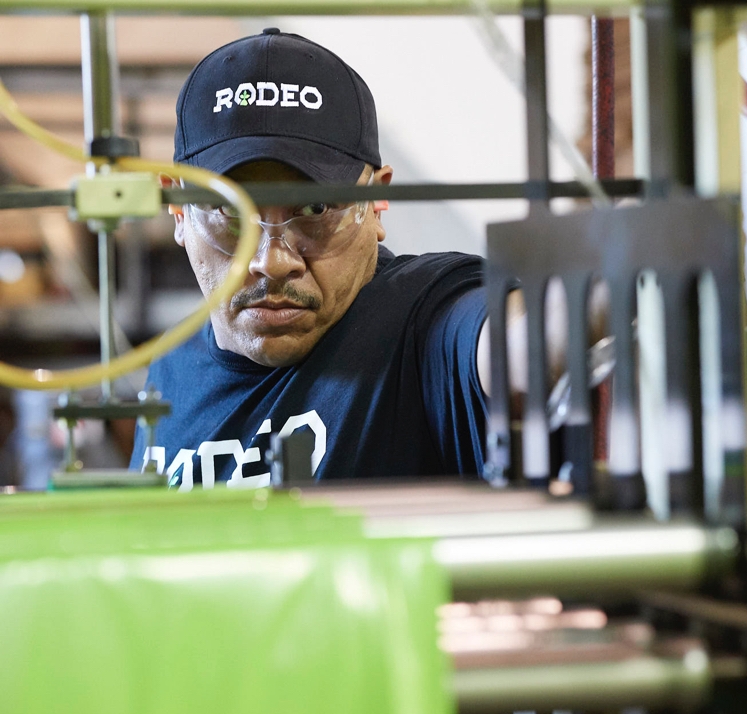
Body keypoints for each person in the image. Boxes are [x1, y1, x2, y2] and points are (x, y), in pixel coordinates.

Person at [128, 29, 494, 490]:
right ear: (178, 210)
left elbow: (518, 338)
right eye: (229, 213)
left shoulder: (423, 322)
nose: (273, 261)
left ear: (377, 199)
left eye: (316, 210)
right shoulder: (171, 371)